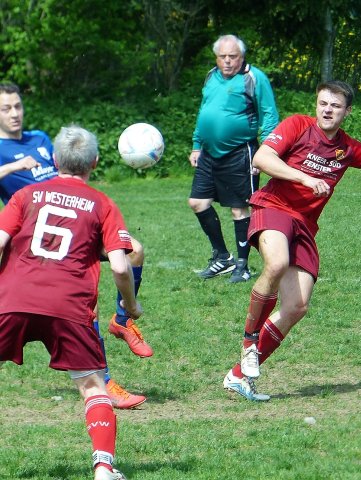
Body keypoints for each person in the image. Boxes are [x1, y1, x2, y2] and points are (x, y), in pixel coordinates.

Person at [222, 80, 361, 401]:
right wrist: (305, 178)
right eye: (323, 103)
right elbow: (262, 158)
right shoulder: (297, 126)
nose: (327, 110)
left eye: (335, 106)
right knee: (276, 263)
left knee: (296, 306)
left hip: (305, 225)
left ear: (347, 111)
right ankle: (249, 341)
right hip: (274, 208)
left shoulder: (347, 148)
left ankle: (239, 376)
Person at [0, 82, 151, 409]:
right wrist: (12, 167)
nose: (14, 114)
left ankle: (122, 320)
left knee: (134, 250)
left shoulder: (40, 139)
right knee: (76, 294)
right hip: (37, 233)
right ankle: (104, 382)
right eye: (6, 108)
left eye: (17, 106)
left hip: (74, 219)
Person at [0, 125, 138, 480]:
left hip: (13, 299)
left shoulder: (25, 195)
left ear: (54, 159)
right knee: (93, 387)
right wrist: (130, 306)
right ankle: (104, 468)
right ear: (95, 162)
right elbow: (120, 266)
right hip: (69, 306)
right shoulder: (103, 204)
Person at [188, 34, 279, 283]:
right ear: (216, 57)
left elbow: (269, 115)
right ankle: (222, 257)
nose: (227, 61)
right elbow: (205, 112)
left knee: (239, 208)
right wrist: (196, 145)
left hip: (240, 152)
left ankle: (243, 265)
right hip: (209, 153)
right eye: (222, 57)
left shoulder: (253, 77)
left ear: (242, 56)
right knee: (197, 202)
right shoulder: (211, 76)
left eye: (233, 56)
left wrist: (266, 152)